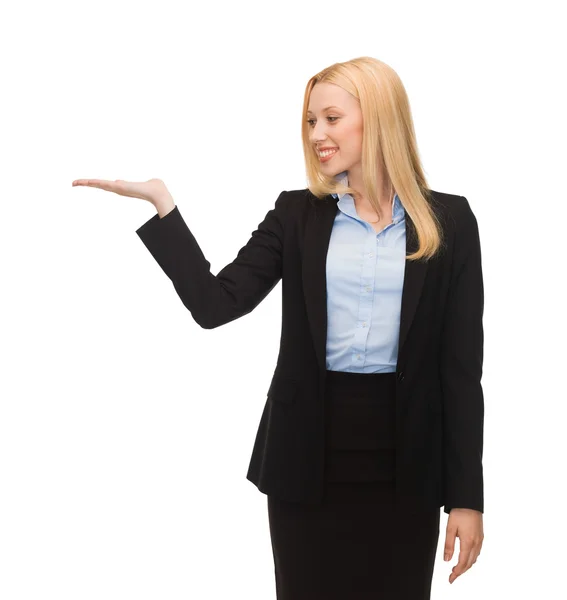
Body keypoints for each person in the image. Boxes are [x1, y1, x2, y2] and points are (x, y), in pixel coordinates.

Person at [72, 56, 485, 600]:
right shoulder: (297, 215)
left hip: (407, 463)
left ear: (378, 117)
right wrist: (163, 206)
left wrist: (467, 497)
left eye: (332, 118)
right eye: (311, 121)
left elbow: (460, 372)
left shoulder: (450, 220)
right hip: (307, 457)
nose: (317, 134)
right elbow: (215, 304)